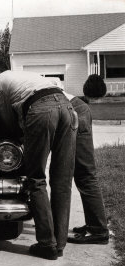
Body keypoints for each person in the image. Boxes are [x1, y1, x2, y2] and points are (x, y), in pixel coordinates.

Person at [0, 59, 78, 260]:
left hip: (41, 109)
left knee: (35, 178)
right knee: (62, 179)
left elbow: (6, 118)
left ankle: (47, 244)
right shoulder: (23, 76)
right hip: (66, 106)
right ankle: (59, 244)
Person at [49, 77, 109, 244]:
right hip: (75, 109)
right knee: (83, 176)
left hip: (76, 112)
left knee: (86, 175)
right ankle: (93, 225)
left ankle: (99, 231)